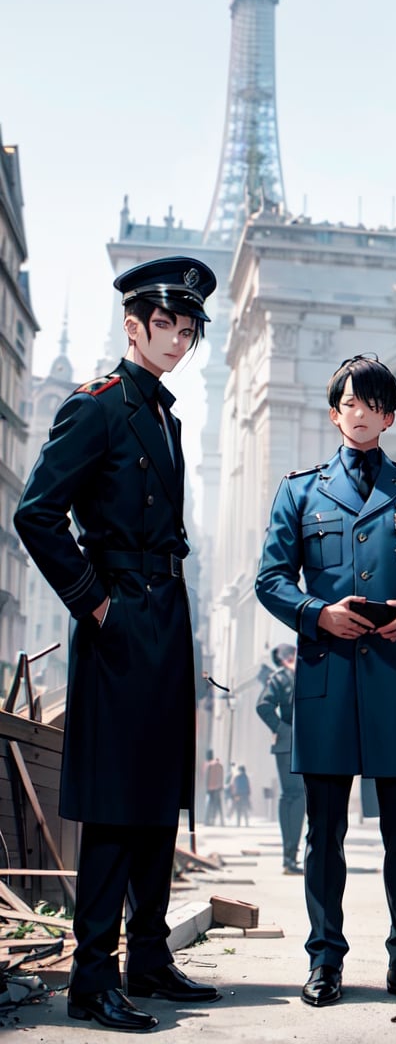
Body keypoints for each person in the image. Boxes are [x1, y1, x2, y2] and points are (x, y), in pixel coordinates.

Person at [14, 256, 220, 1032]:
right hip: (120, 614)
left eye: (187, 327)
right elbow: (36, 513)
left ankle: (150, 957)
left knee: (158, 795)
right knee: (112, 803)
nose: (175, 337)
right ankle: (91, 977)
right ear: (132, 326)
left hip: (169, 615)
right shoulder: (97, 406)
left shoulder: (166, 416)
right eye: (163, 324)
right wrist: (95, 605)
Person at [255, 354, 396, 1010]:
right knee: (325, 833)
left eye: (375, 404)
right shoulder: (299, 492)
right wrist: (316, 614)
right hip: (326, 678)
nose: (363, 413)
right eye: (352, 402)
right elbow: (270, 579)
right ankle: (325, 961)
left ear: (390, 415)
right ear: (335, 411)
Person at [256, 644, 305, 874]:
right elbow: (263, 705)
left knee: (299, 799)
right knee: (294, 798)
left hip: (305, 743)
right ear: (289, 658)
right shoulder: (280, 677)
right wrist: (282, 730)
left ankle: (293, 857)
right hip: (288, 744)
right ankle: (289, 858)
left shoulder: (302, 673)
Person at [203, 749, 225, 826]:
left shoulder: (208, 765)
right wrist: (221, 786)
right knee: (219, 805)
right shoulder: (220, 765)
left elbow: (206, 778)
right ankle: (222, 822)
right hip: (218, 788)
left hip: (210, 788)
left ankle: (207, 821)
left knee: (209, 805)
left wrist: (206, 788)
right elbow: (222, 777)